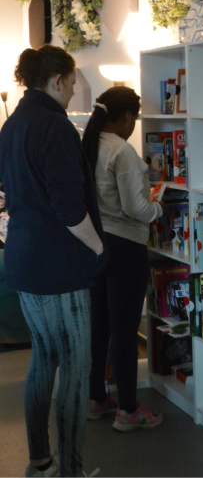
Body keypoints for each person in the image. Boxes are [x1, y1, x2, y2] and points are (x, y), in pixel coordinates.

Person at [0, 45, 107, 478]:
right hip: (59, 268)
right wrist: (99, 247)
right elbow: (70, 209)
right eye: (73, 79)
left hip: (24, 261)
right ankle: (71, 472)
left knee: (44, 359)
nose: (76, 87)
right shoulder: (55, 126)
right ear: (58, 80)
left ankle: (41, 463)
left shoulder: (12, 124)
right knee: (75, 371)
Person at [82, 86, 165, 432]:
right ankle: (128, 411)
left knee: (100, 326)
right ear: (129, 116)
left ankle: (96, 398)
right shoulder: (123, 151)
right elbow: (136, 208)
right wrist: (158, 205)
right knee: (125, 331)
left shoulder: (89, 144)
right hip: (126, 249)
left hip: (96, 245)